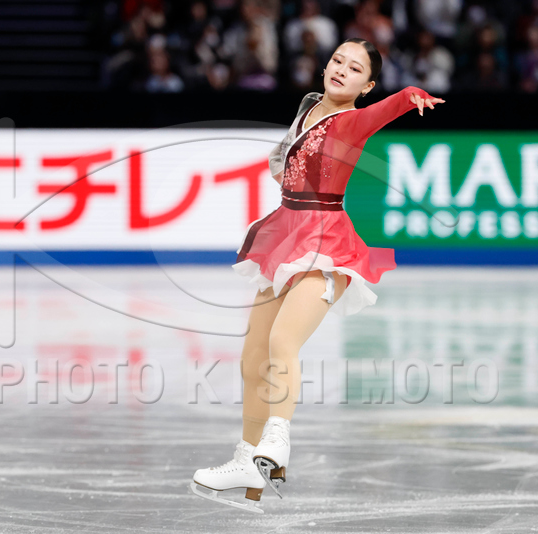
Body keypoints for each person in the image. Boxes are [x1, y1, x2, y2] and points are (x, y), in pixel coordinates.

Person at [189, 37, 443, 513]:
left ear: (367, 86)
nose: (341, 70)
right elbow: (284, 164)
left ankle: (277, 442)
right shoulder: (308, 107)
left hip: (326, 242)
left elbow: (383, 113)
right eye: (337, 61)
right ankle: (247, 463)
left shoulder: (351, 120)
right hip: (284, 235)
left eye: (355, 69)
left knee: (282, 341)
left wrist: (408, 96)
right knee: (252, 357)